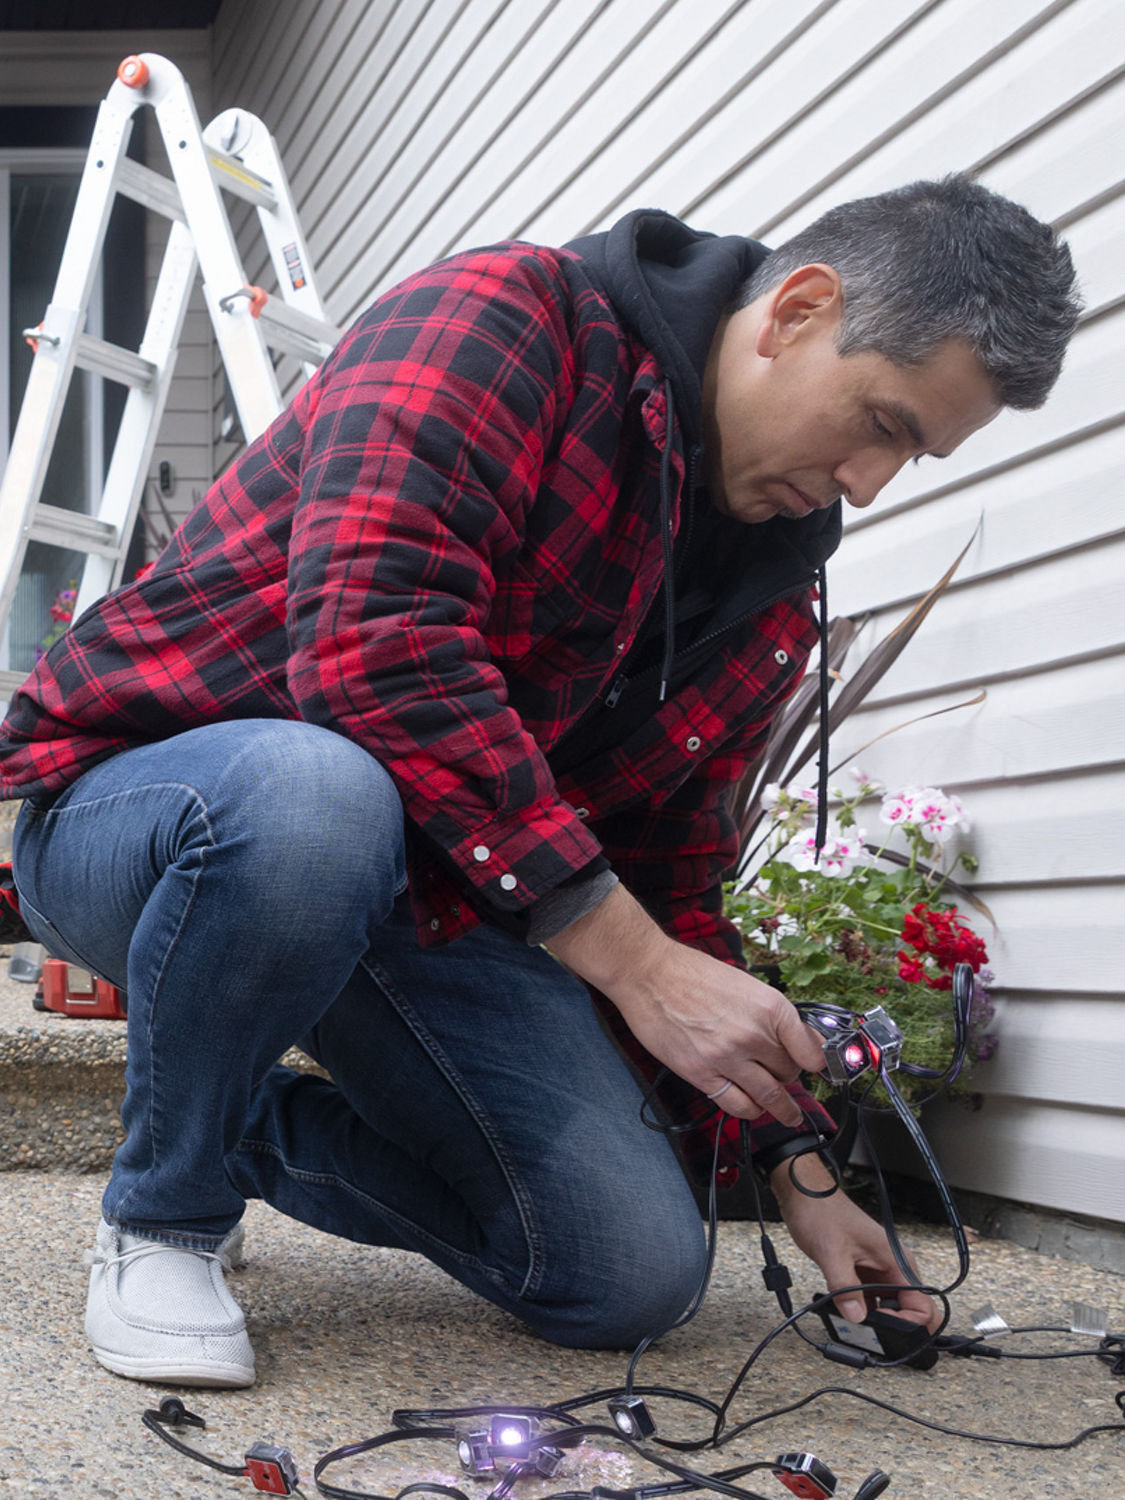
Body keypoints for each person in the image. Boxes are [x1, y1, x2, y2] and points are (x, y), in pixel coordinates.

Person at [0, 176, 1079, 1389]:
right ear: (797, 312)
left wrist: (801, 1169)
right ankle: (165, 1214)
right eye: (882, 424)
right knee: (316, 793)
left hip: (429, 895)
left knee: (625, 1271)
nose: (872, 486)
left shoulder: (768, 591)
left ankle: (224, 1124)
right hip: (159, 816)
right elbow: (377, 650)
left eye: (914, 456)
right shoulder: (501, 324)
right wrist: (628, 962)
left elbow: (672, 866)